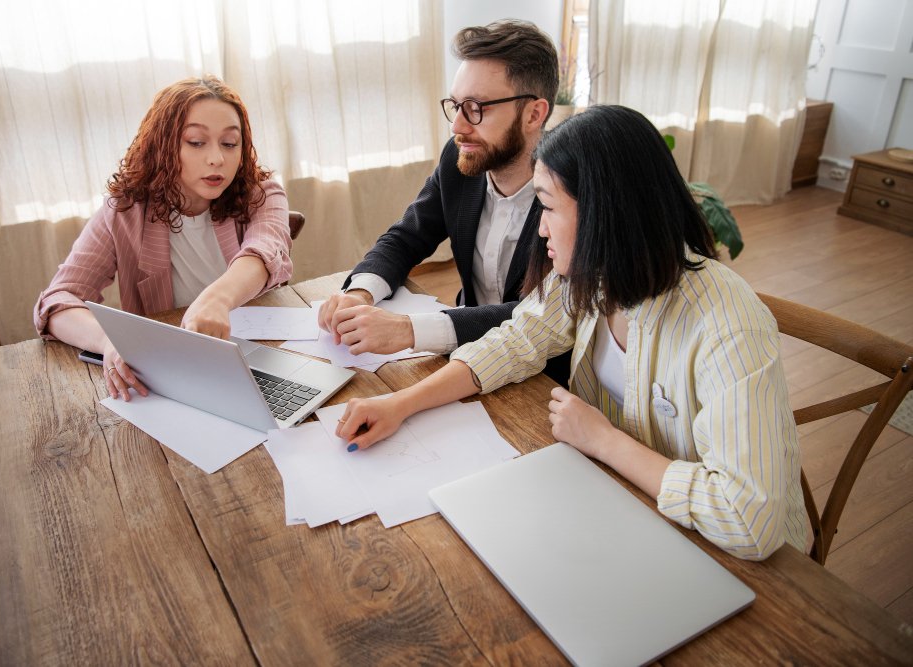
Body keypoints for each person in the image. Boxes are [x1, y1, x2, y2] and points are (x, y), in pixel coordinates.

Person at [335, 106, 807, 561]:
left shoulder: (727, 323)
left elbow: (750, 519)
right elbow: (515, 342)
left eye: (547, 206)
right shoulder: (591, 274)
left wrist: (604, 441)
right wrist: (400, 404)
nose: (540, 228)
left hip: (729, 556)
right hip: (619, 504)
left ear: (606, 213)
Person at [317, 19, 571, 383]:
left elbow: (540, 317)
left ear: (534, 114)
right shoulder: (459, 161)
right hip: (462, 356)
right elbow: (407, 237)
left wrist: (409, 330)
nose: (458, 126)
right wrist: (360, 293)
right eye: (455, 105)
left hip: (543, 376)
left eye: (477, 108)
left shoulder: (568, 196)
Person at [35, 75, 291, 401]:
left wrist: (217, 300)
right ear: (164, 145)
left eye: (229, 143)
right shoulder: (126, 211)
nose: (217, 159)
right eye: (196, 142)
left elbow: (266, 251)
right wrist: (110, 342)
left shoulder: (263, 194)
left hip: (259, 361)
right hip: (171, 375)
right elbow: (57, 302)